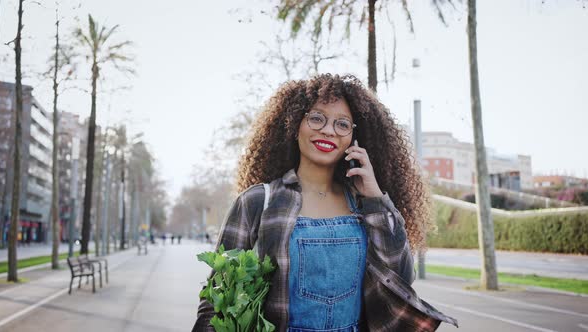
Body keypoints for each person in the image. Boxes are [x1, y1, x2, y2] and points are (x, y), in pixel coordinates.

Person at [193, 74, 458, 331]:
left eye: (342, 124)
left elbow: (402, 278)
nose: (329, 131)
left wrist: (376, 198)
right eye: (317, 118)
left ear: (354, 138)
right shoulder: (257, 202)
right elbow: (217, 297)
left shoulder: (365, 204)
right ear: (295, 125)